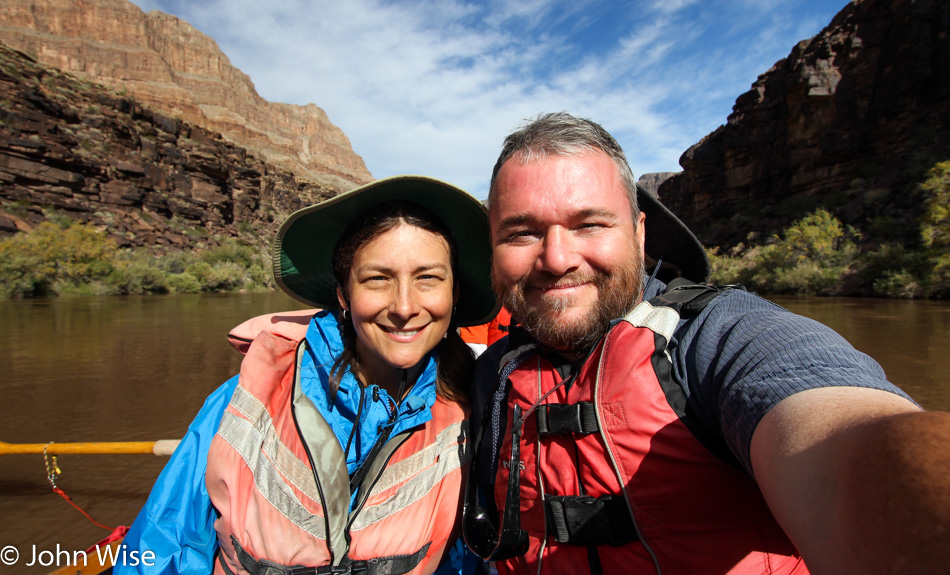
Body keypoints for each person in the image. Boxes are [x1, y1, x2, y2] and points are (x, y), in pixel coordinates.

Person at [462, 112, 950, 575]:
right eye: (522, 232)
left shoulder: (720, 338)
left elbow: (843, 436)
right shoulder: (492, 375)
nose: (557, 258)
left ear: (638, 232)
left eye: (589, 224)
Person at [117, 175, 499, 575]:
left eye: (428, 278)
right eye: (377, 279)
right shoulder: (242, 401)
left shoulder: (474, 411)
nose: (404, 306)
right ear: (343, 296)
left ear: (454, 296)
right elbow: (162, 547)